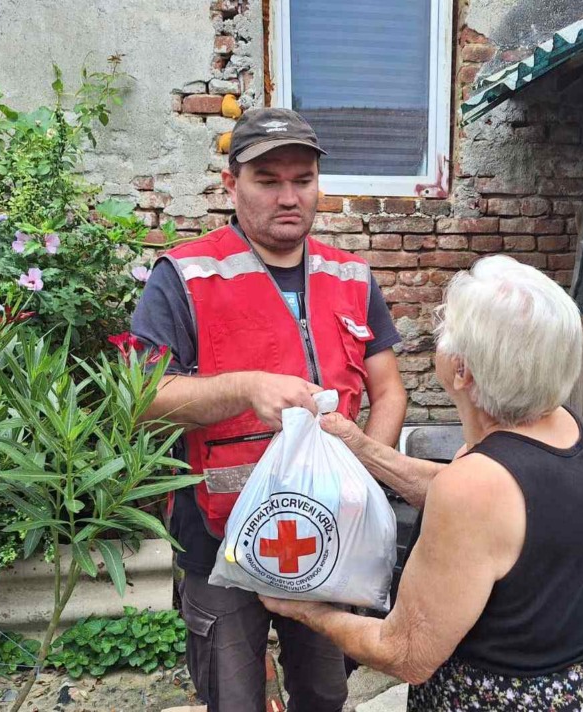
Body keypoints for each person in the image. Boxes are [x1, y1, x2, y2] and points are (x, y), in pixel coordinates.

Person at [261, 255, 583, 711]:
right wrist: (361, 446)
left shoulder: (475, 488)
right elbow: (471, 495)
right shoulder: (556, 423)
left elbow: (404, 652)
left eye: (446, 325)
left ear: (462, 371)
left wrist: (303, 609)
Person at [131, 107, 407, 712]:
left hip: (329, 539)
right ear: (231, 185)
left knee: (324, 692)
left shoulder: (352, 276)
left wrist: (364, 473)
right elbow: (144, 401)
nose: (290, 197)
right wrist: (243, 388)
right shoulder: (183, 275)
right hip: (218, 537)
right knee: (233, 698)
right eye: (268, 180)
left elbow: (388, 391)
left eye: (302, 180)